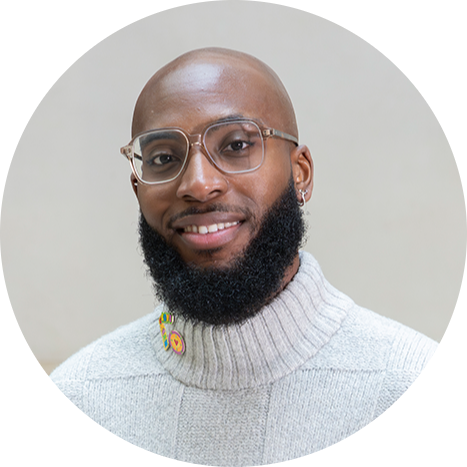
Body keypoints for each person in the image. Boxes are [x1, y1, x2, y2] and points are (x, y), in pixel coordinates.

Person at [50, 47, 438, 464]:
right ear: (137, 189)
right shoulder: (83, 394)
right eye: (163, 158)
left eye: (236, 145)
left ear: (301, 173)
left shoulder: (401, 380)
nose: (198, 184)